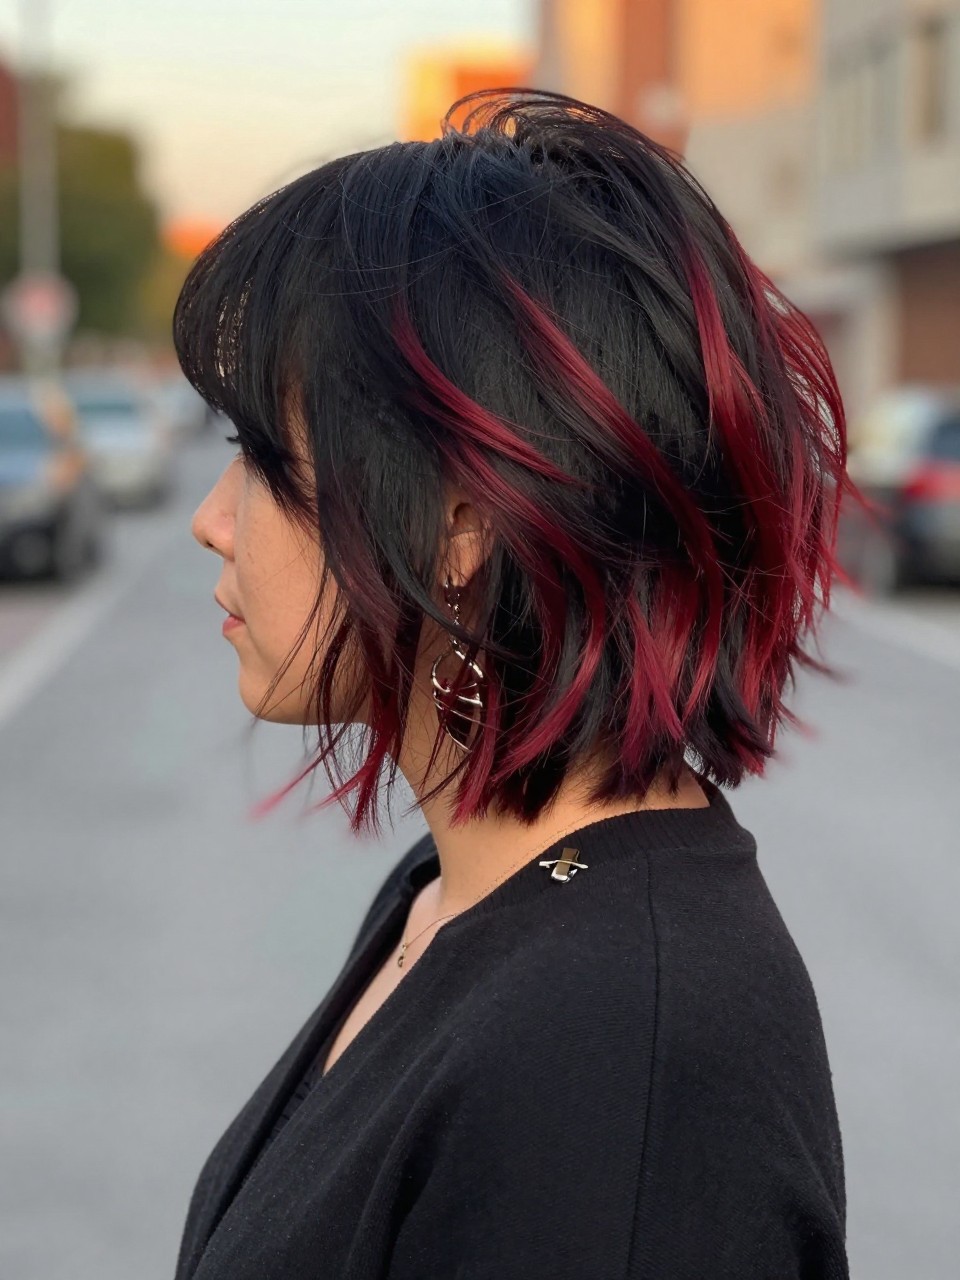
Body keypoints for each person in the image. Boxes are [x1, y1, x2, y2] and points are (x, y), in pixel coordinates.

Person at [176, 89, 852, 1279]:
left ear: (463, 515)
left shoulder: (619, 1056)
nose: (210, 521)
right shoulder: (463, 892)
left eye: (261, 457)